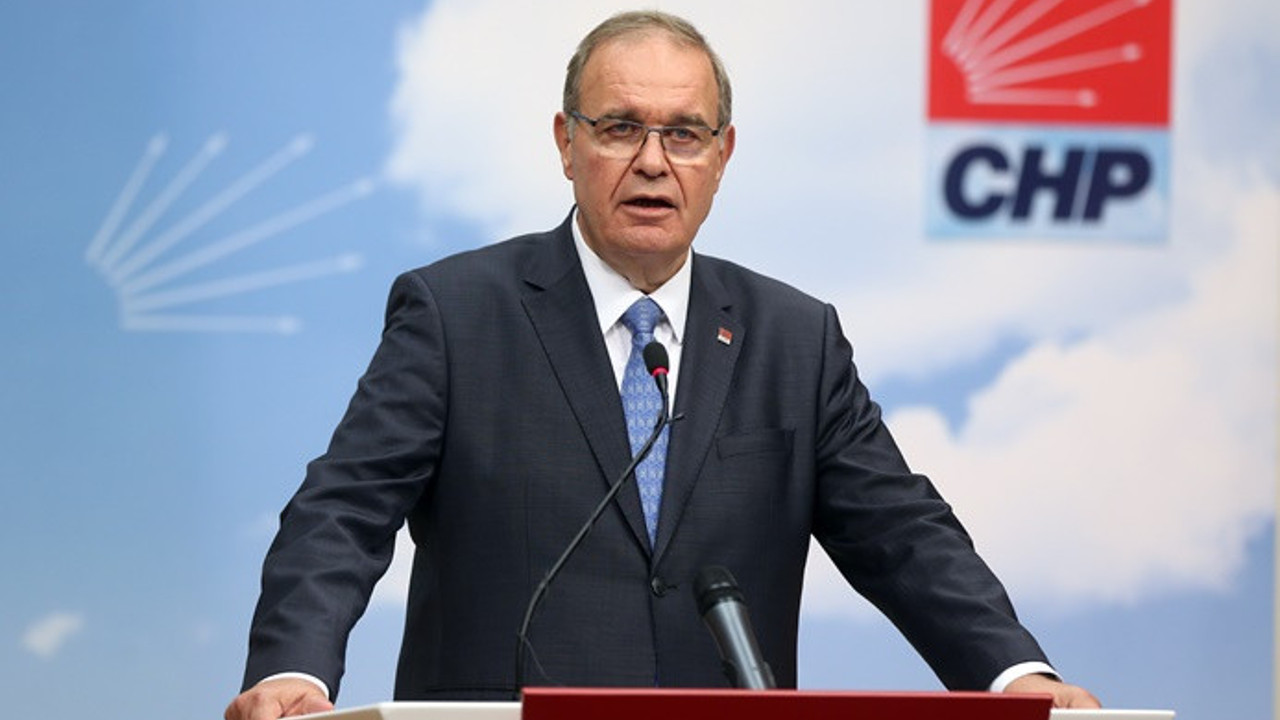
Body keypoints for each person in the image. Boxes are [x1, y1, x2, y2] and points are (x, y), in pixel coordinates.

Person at [226, 10, 1100, 720]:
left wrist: (1013, 674)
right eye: (620, 128)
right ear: (566, 143)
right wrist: (293, 669)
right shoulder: (457, 313)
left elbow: (902, 535)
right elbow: (345, 507)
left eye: (684, 134)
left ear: (723, 155)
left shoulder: (795, 340)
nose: (653, 162)